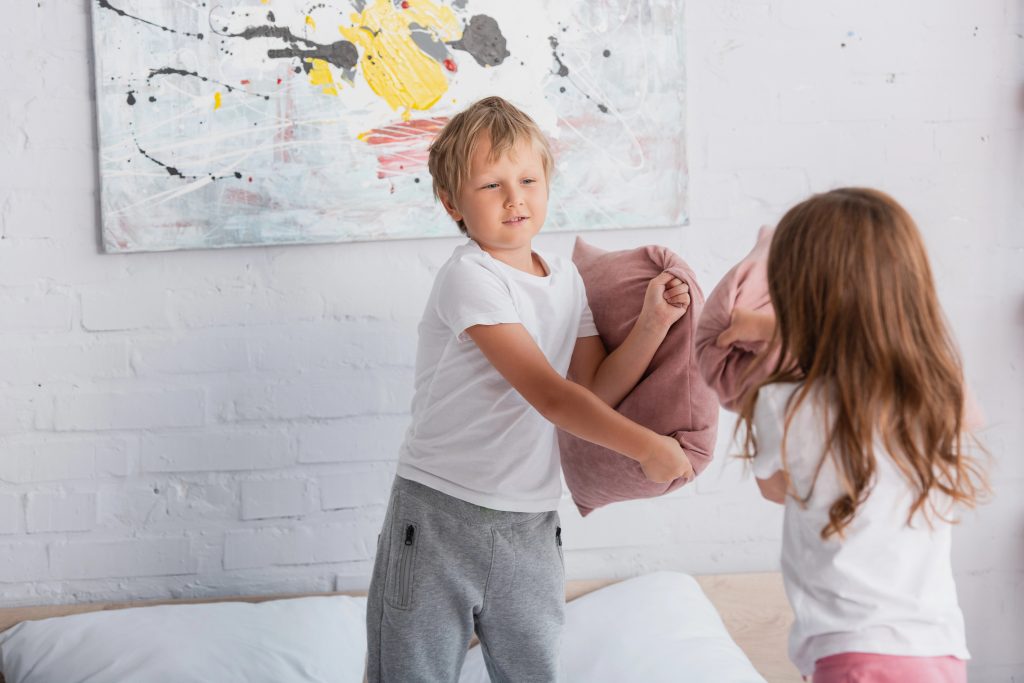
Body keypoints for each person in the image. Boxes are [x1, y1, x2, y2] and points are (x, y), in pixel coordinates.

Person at [365, 96, 695, 682]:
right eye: (491, 185)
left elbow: (591, 390)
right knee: (411, 671)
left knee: (532, 670)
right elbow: (549, 395)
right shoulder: (471, 277)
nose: (515, 197)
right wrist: (646, 446)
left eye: (527, 179)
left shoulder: (566, 280)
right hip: (439, 513)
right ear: (452, 205)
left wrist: (652, 325)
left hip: (530, 521)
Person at [721, 188, 988, 683]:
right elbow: (962, 412)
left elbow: (776, 488)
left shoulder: (782, 403)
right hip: (940, 651)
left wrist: (768, 337)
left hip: (849, 651)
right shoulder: (938, 392)